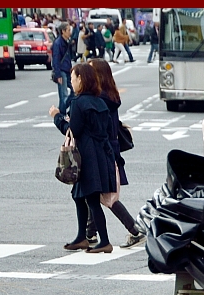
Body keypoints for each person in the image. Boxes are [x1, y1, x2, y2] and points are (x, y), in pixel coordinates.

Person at [50, 62, 117, 253]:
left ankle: (104, 241)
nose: (71, 82)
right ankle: (82, 237)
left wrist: (57, 117)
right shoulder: (100, 102)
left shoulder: (78, 103)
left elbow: (74, 131)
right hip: (100, 154)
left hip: (86, 157)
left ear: (81, 79)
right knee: (80, 196)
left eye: (73, 78)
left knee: (91, 199)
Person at [88, 59, 145, 248]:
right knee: (96, 193)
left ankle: (135, 230)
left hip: (104, 152)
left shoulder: (99, 99)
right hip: (112, 151)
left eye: (90, 71)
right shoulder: (111, 96)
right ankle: (90, 233)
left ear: (98, 75)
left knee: (107, 196)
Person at [51, 23, 75, 112]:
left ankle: (63, 110)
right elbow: (56, 59)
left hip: (67, 69)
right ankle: (62, 113)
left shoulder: (66, 41)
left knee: (75, 90)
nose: (70, 32)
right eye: (68, 30)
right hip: (61, 71)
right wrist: (58, 74)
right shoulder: (58, 43)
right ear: (63, 31)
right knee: (63, 94)